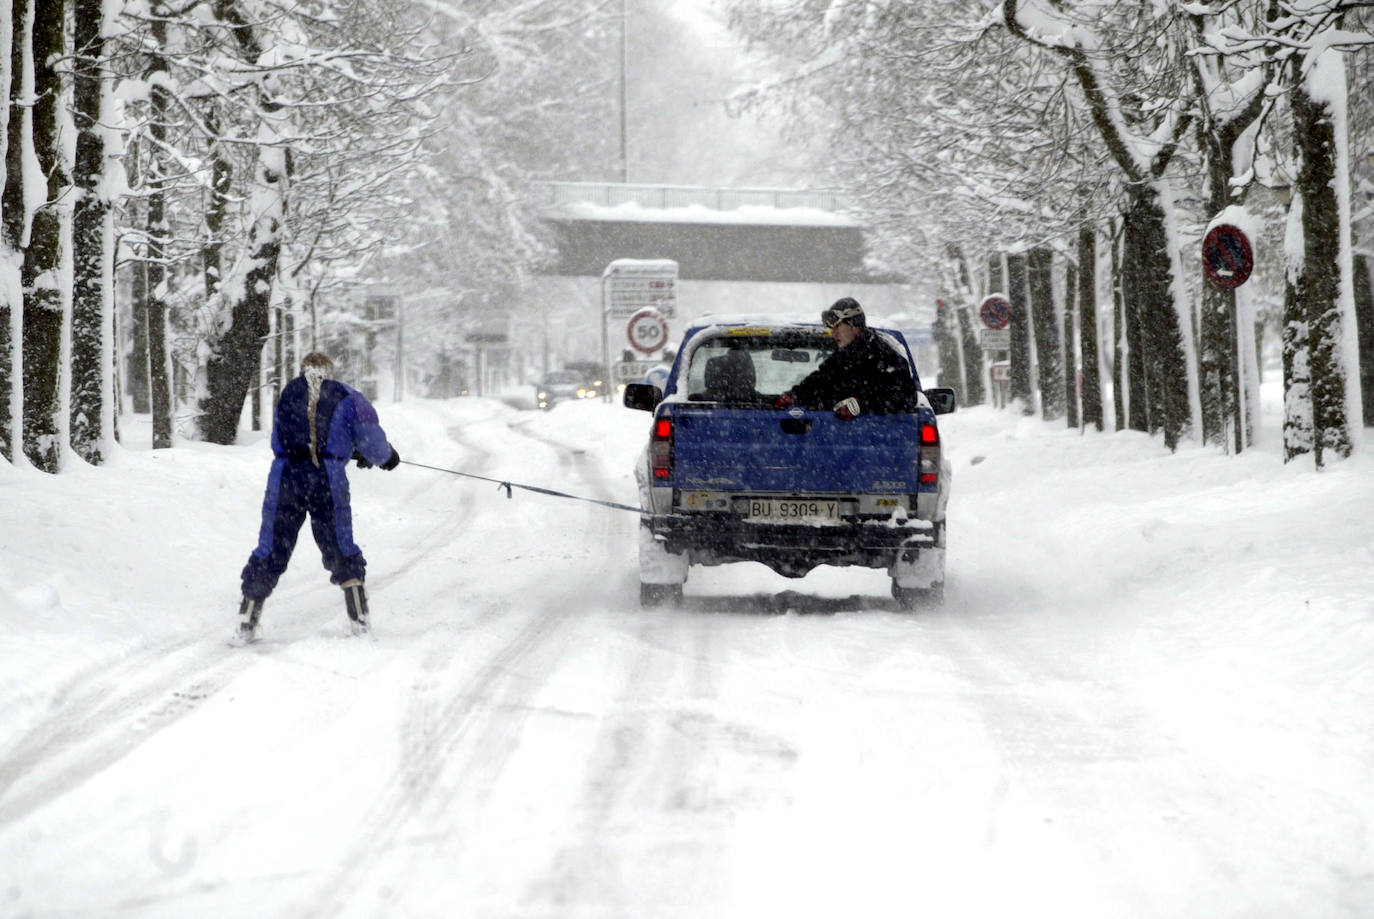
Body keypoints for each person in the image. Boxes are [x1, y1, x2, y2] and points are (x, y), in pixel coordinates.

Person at [236, 351, 401, 643]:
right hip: (327, 477)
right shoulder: (347, 396)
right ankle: (359, 619)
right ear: (329, 371)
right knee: (339, 542)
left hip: (286, 475)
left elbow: (290, 436)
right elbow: (369, 438)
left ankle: (247, 621)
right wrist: (384, 457)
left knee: (272, 544)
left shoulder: (288, 394)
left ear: (304, 370)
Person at [774, 297, 917, 419]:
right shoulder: (841, 359)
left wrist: (861, 405)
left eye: (837, 327)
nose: (833, 334)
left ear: (854, 325)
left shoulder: (886, 358)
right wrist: (795, 396)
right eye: (832, 329)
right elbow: (820, 381)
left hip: (871, 439)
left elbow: (905, 397)